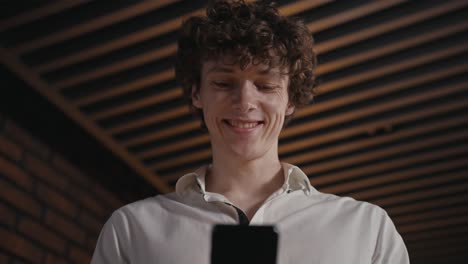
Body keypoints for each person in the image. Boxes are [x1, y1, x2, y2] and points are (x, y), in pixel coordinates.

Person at [91, 1, 410, 263]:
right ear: (196, 94)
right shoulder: (131, 230)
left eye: (266, 84)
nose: (244, 102)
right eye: (223, 82)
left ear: (290, 99)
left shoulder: (368, 229)